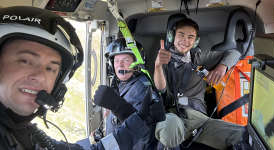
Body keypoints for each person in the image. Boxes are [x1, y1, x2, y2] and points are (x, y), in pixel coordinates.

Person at [0, 6, 165, 150]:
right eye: (25, 61)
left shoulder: (26, 134)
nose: (39, 76)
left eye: (51, 68)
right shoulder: (117, 84)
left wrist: (129, 114)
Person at [154, 13, 249, 150]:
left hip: (200, 120)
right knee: (170, 131)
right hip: (174, 115)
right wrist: (158, 66)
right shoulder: (163, 58)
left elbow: (235, 53)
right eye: (181, 35)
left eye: (190, 37)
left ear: (195, 41)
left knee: (243, 135)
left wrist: (221, 68)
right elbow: (161, 89)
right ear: (172, 36)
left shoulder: (199, 58)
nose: (185, 40)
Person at [93, 38, 165, 150]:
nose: (120, 65)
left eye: (126, 60)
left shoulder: (142, 89)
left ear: (136, 63)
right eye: (116, 61)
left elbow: (145, 137)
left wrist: (117, 106)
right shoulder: (120, 84)